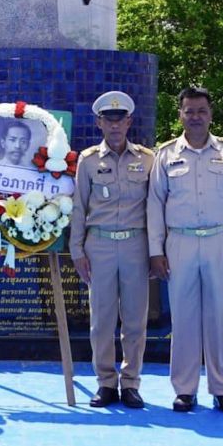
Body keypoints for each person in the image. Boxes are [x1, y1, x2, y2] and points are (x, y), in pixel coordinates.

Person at [148, 86, 223, 413]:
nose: (195, 117)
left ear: (211, 114)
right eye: (189, 111)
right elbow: (155, 204)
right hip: (179, 242)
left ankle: (222, 389)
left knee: (219, 318)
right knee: (184, 319)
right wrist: (155, 250)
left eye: (201, 111)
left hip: (220, 242)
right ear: (180, 113)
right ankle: (185, 389)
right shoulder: (165, 155)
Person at [70, 91, 153, 409]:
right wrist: (77, 250)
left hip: (136, 244)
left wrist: (156, 250)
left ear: (129, 121)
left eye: (120, 120)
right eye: (109, 119)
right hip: (100, 245)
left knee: (135, 320)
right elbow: (80, 207)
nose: (115, 125)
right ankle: (106, 382)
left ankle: (131, 383)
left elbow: (155, 208)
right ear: (99, 122)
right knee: (102, 320)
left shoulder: (147, 159)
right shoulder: (88, 160)